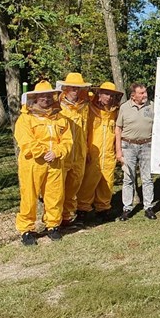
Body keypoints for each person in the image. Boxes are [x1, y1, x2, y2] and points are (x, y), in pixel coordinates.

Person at [14, 81, 73, 245]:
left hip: (55, 162)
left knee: (55, 194)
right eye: (42, 96)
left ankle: (53, 225)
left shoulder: (60, 118)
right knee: (29, 196)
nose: (46, 99)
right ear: (35, 98)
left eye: (49, 95)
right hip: (32, 163)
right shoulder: (25, 119)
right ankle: (27, 230)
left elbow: (67, 141)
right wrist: (42, 153)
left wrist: (57, 152)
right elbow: (25, 141)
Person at [76, 82, 123, 223]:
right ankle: (82, 210)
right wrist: (86, 150)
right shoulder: (90, 109)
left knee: (107, 182)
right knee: (88, 182)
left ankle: (103, 210)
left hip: (108, 153)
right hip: (93, 152)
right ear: (100, 94)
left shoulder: (115, 112)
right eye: (106, 94)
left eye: (111, 95)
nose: (109, 97)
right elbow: (83, 132)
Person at [116, 83, 156, 221]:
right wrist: (118, 151)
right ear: (133, 95)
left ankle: (148, 207)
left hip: (147, 145)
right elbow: (118, 129)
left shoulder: (152, 105)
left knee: (147, 178)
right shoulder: (124, 108)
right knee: (128, 178)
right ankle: (127, 208)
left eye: (145, 92)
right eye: (141, 93)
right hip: (128, 145)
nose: (145, 95)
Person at [57, 72, 91, 227]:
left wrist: (87, 150)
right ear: (65, 88)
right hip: (63, 153)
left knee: (73, 187)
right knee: (57, 188)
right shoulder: (57, 105)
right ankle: (52, 220)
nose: (75, 91)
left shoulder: (84, 106)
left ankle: (66, 218)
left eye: (78, 88)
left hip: (79, 153)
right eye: (72, 87)